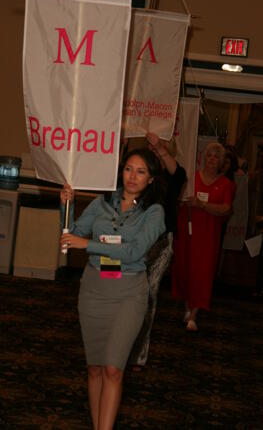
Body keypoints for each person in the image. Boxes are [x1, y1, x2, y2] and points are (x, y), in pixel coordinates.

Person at [60, 148, 166, 430]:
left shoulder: (154, 212)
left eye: (141, 171)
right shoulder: (102, 202)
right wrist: (65, 206)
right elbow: (70, 235)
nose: (132, 176)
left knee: (113, 369)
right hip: (94, 290)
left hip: (128, 293)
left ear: (151, 179)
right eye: (128, 169)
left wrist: (89, 245)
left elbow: (134, 252)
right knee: (94, 368)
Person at [129, 133, 186, 368]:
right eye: (149, 152)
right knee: (127, 293)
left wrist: (160, 147)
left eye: (157, 153)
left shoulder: (170, 179)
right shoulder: (137, 179)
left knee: (148, 294)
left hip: (161, 244)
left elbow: (180, 174)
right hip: (134, 242)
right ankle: (121, 345)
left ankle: (139, 353)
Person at [172, 142, 232, 331]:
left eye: (216, 156)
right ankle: (187, 308)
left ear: (221, 162)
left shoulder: (226, 184)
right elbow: (177, 199)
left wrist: (202, 205)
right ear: (203, 158)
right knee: (184, 268)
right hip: (186, 231)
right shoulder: (191, 177)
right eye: (209, 155)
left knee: (202, 272)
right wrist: (184, 202)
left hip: (207, 237)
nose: (212, 159)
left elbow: (225, 208)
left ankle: (194, 314)